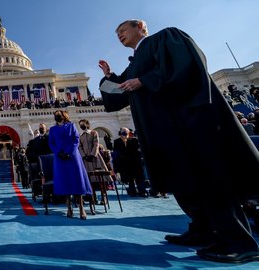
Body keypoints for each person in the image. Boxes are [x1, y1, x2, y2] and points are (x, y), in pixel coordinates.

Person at [98, 19, 259, 263]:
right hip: (164, 131)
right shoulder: (133, 66)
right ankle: (202, 229)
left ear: (141, 27)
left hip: (189, 123)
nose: (119, 35)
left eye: (123, 30)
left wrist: (144, 80)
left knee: (211, 178)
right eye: (116, 33)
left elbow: (188, 66)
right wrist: (110, 76)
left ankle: (239, 241)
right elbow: (117, 97)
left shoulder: (165, 38)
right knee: (185, 180)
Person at [48, 110, 92, 219]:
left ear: (64, 116)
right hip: (60, 158)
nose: (57, 116)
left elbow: (76, 140)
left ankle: (81, 207)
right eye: (55, 115)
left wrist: (68, 152)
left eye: (58, 114)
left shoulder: (71, 126)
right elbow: (51, 143)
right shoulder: (52, 129)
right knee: (65, 181)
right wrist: (59, 152)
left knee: (77, 180)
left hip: (72, 156)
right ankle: (69, 207)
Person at [78, 119, 114, 203]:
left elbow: (96, 144)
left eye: (82, 124)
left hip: (96, 158)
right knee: (90, 179)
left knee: (101, 179)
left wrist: (92, 154)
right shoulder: (81, 136)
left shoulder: (94, 133)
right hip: (86, 160)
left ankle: (103, 197)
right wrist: (84, 156)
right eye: (80, 124)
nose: (81, 126)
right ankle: (93, 197)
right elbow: (80, 147)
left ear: (87, 124)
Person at [112, 127, 148, 197]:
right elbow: (116, 154)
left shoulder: (134, 140)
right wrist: (116, 166)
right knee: (130, 179)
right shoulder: (117, 141)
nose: (125, 135)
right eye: (123, 133)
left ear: (129, 133)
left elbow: (138, 151)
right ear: (120, 133)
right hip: (125, 164)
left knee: (139, 178)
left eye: (126, 133)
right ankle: (132, 191)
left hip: (135, 162)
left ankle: (142, 191)